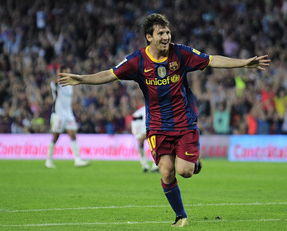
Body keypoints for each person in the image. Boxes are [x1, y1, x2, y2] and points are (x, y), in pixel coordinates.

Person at [58, 13, 270, 227]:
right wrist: (83, 79)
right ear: (149, 37)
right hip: (157, 126)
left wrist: (244, 63)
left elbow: (212, 60)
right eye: (161, 33)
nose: (166, 36)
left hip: (184, 123)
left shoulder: (181, 53)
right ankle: (181, 216)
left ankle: (194, 162)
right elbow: (110, 74)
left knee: (184, 171)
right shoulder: (137, 60)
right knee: (167, 172)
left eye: (168, 32)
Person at [45, 65, 89, 168]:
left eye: (69, 71)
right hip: (59, 114)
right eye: (66, 72)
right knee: (56, 137)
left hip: (68, 114)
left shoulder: (70, 85)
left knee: (73, 135)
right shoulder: (57, 84)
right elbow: (54, 83)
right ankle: (48, 160)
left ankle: (77, 160)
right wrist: (59, 74)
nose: (68, 74)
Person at [131, 105, 159, 173]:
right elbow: (138, 122)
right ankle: (145, 166)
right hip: (140, 127)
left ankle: (155, 166)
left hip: (148, 128)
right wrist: (141, 133)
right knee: (141, 144)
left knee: (154, 146)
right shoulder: (141, 112)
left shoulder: (152, 110)